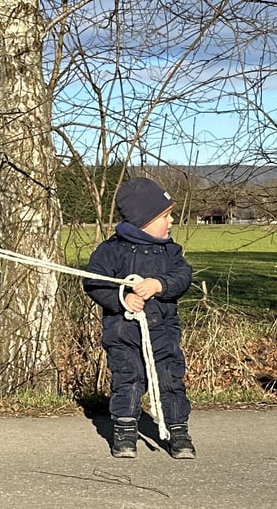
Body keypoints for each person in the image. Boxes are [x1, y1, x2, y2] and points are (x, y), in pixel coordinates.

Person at [84, 177, 196, 459]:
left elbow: (183, 277)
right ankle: (124, 431)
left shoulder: (171, 252)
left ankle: (178, 431)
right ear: (142, 220)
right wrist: (122, 299)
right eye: (165, 216)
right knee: (128, 380)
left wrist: (159, 285)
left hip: (164, 333)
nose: (171, 222)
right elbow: (94, 283)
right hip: (123, 332)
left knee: (170, 379)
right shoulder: (110, 251)